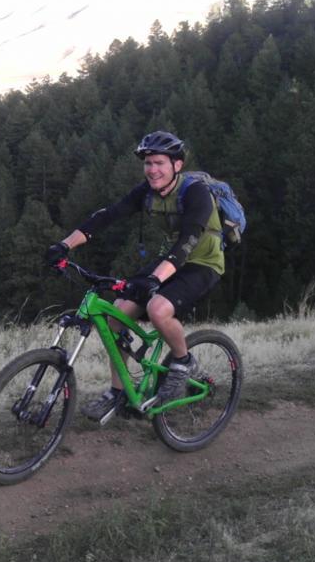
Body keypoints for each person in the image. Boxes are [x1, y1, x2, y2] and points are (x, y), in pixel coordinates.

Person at [44, 130, 225, 424]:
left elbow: (187, 243)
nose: (152, 170)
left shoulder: (196, 193)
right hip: (168, 261)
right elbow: (107, 216)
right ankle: (119, 392)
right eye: (148, 163)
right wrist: (64, 245)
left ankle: (183, 362)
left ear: (177, 165)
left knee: (158, 309)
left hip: (203, 263)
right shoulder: (147, 192)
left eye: (159, 163)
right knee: (115, 316)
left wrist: (155, 279)